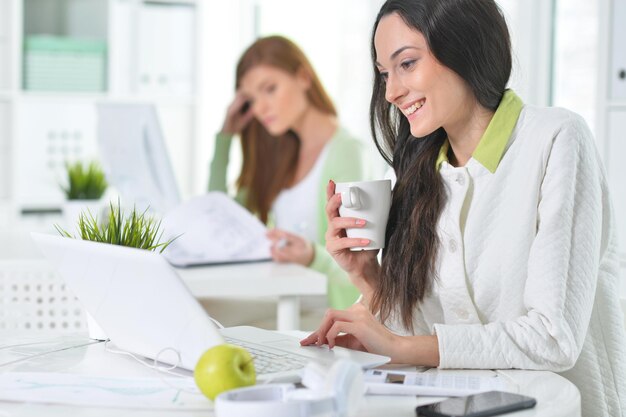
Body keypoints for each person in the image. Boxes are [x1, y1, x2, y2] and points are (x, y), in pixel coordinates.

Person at [300, 1, 626, 415]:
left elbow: (552, 338)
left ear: (463, 46)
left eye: (406, 64)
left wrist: (400, 347)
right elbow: (435, 336)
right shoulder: (421, 174)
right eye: (384, 73)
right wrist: (368, 275)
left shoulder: (556, 139)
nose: (391, 92)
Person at [209, 35, 369, 309]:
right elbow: (218, 217)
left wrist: (311, 256)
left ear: (304, 78)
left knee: (209, 311)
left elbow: (363, 265)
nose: (260, 108)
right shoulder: (279, 155)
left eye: (269, 89)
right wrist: (225, 137)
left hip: (326, 312)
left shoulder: (347, 151)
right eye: (251, 99)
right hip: (286, 301)